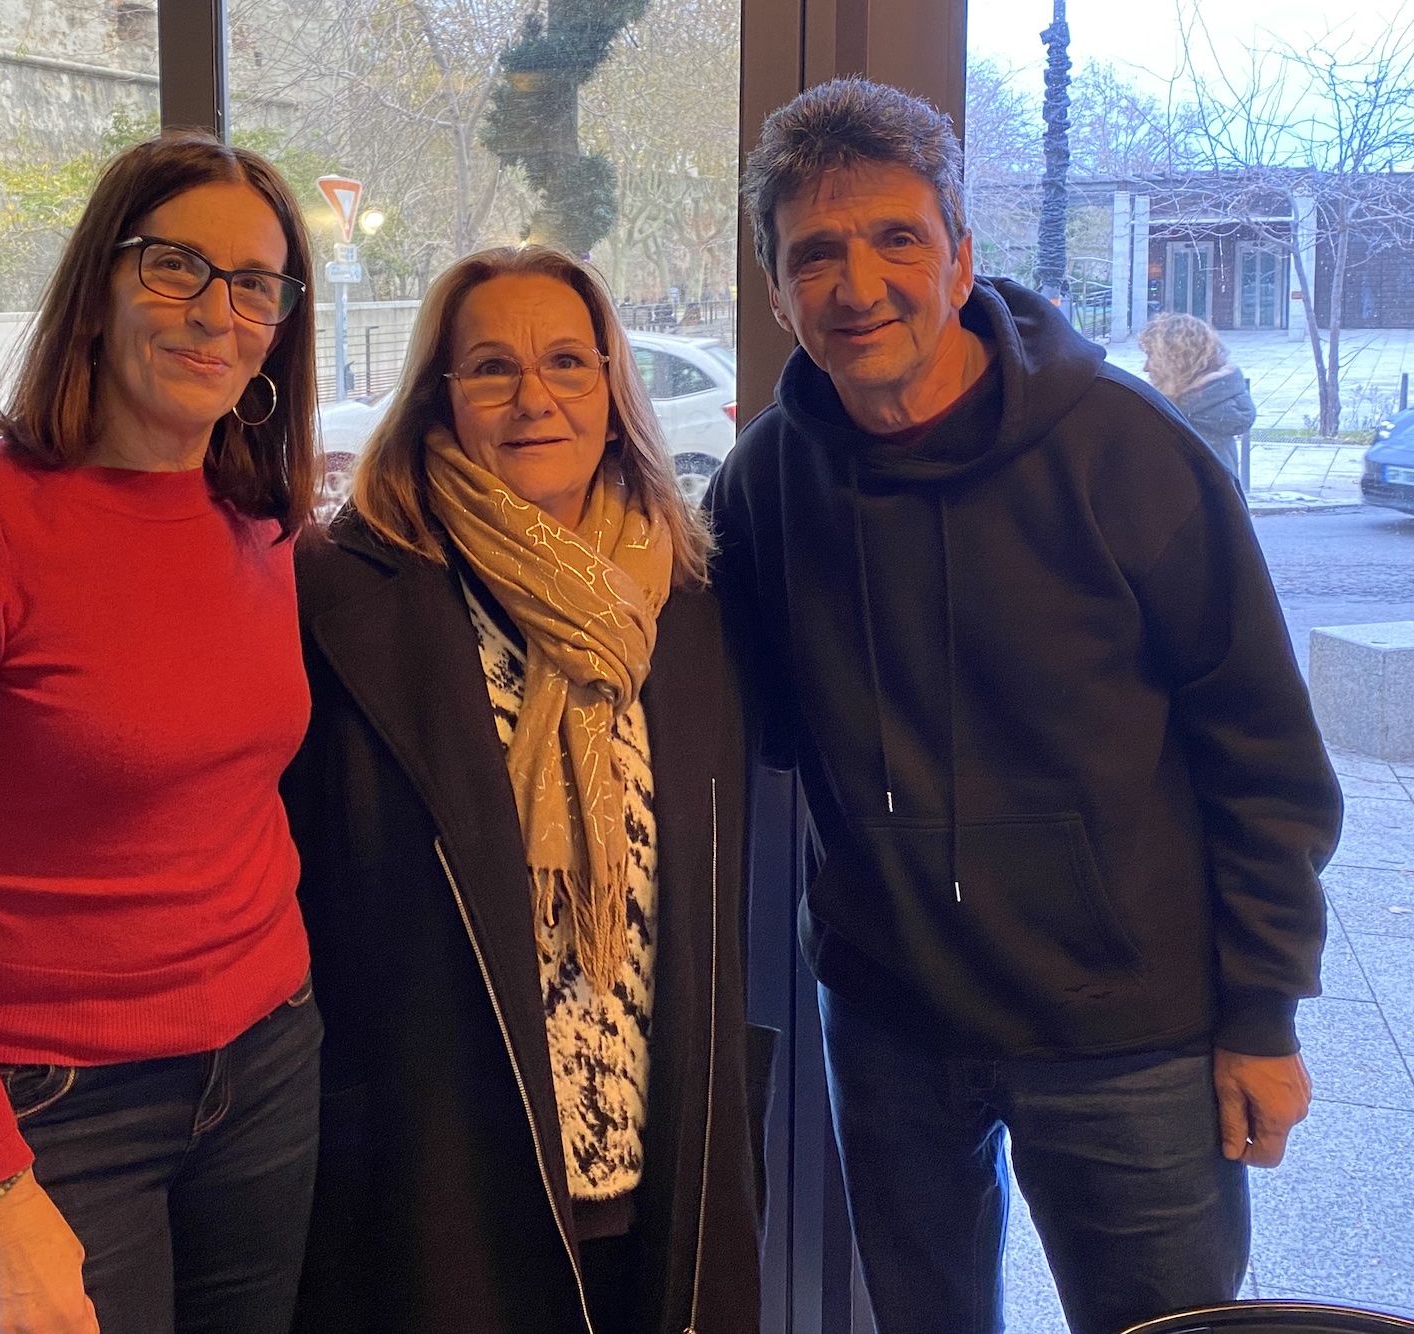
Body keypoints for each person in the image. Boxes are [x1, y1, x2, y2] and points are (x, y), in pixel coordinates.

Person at [707, 78, 1341, 1334]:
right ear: (777, 293)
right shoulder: (767, 483)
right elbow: (739, 712)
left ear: (960, 258)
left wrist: (1262, 1012)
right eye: (815, 253)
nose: (857, 284)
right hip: (889, 1027)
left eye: (896, 238)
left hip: (1129, 1033)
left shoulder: (1129, 452)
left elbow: (1265, 757)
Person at [0, 131, 322, 1334]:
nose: (216, 313)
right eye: (176, 265)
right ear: (100, 282)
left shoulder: (258, 521)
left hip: (267, 1061)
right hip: (54, 1105)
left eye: (254, 284)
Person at [287, 243, 763, 1333]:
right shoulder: (346, 596)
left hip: (654, 1157)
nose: (534, 398)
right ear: (439, 396)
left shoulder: (686, 597)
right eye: (493, 368)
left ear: (612, 391)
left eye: (567, 363)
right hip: (448, 1170)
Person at [1140, 311, 1258, 476]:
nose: (1145, 367)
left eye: (1151, 356)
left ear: (1176, 360)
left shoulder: (1186, 421)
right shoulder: (1209, 410)